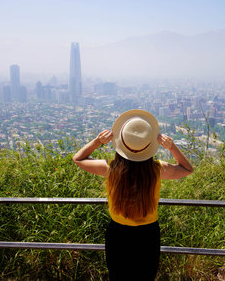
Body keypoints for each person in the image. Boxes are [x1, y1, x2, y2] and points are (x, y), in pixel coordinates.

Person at [73, 109, 193, 280]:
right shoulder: (157, 169)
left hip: (118, 234)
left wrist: (98, 141)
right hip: (148, 235)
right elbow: (187, 169)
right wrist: (172, 146)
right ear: (149, 145)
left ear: (121, 141)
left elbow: (78, 158)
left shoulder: (111, 168)